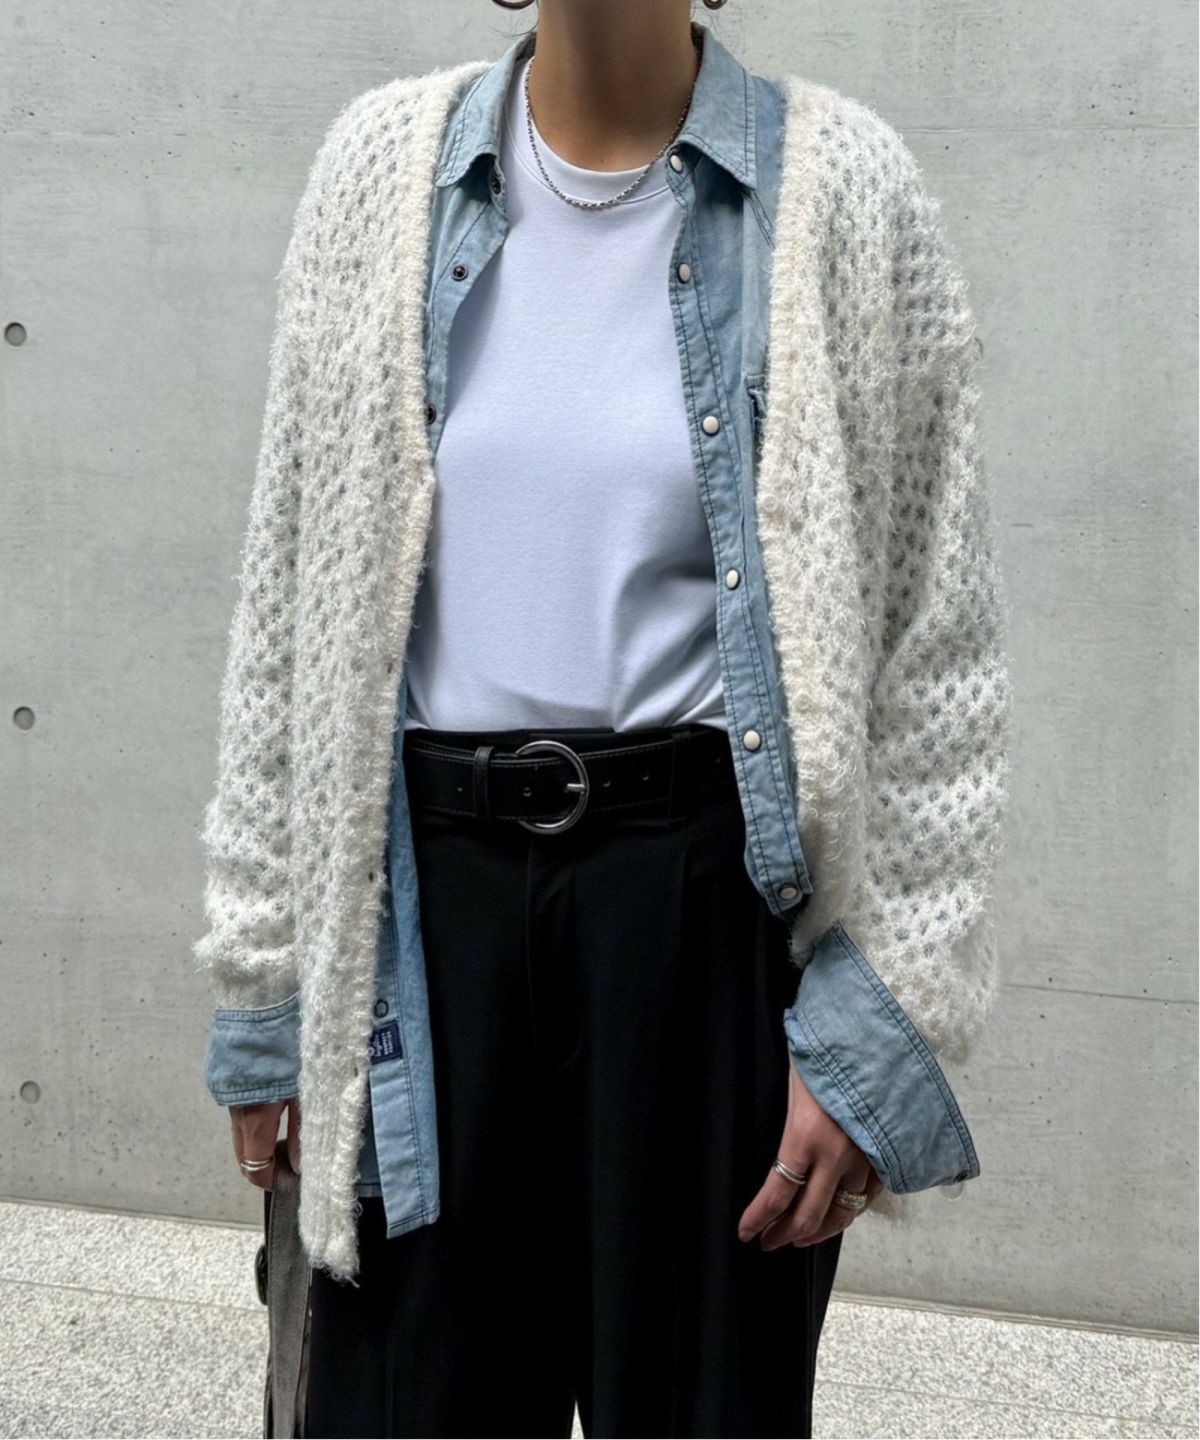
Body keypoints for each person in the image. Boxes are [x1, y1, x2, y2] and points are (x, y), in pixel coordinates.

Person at [193, 1, 1013, 1436]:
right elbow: (286, 606)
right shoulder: (379, 171)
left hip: (698, 923)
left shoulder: (845, 192)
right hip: (419, 924)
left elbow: (936, 653)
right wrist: (269, 993)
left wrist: (880, 1019)